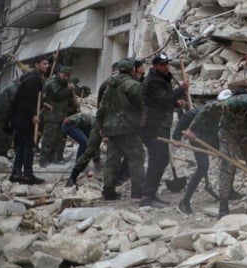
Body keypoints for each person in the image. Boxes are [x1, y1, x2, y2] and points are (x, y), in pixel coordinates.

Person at [140, 52, 188, 207]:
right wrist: (181, 89)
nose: (166, 66)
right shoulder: (153, 80)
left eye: (166, 63)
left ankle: (151, 193)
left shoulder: (162, 78)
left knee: (162, 159)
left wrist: (176, 103)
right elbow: (163, 98)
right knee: (156, 159)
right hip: (153, 125)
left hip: (161, 123)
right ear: (155, 66)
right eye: (162, 64)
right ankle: (147, 196)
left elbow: (164, 100)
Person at [176, 91, 234, 214]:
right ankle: (184, 201)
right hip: (196, 136)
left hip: (210, 136)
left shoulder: (227, 112)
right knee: (203, 166)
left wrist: (221, 151)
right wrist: (176, 138)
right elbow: (185, 118)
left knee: (229, 158)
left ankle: (229, 191)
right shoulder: (206, 109)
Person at [97, 58, 145, 200]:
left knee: (112, 161)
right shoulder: (132, 85)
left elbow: (101, 109)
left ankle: (108, 191)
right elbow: (143, 104)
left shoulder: (109, 86)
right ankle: (137, 192)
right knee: (137, 158)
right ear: (132, 70)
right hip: (128, 129)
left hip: (111, 129)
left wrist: (101, 127)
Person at [9, 56, 50, 185]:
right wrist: (33, 115)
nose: (47, 66)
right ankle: (28, 175)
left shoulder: (31, 77)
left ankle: (15, 173)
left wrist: (44, 104)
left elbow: (34, 98)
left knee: (21, 146)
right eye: (44, 63)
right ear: (37, 65)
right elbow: (27, 100)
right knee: (29, 146)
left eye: (48, 63)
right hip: (25, 118)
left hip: (20, 117)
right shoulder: (34, 79)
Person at [39, 65, 78, 166]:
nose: (66, 77)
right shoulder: (52, 83)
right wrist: (69, 89)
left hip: (62, 116)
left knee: (60, 139)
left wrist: (73, 103)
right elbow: (58, 95)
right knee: (49, 139)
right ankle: (44, 159)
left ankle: (55, 158)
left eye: (68, 76)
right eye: (64, 75)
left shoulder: (66, 84)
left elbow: (69, 99)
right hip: (52, 116)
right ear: (59, 74)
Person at [0, 79, 18, 157]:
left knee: (2, 135)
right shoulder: (14, 88)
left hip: (1, 116)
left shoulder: (12, 87)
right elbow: (14, 103)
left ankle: (0, 154)